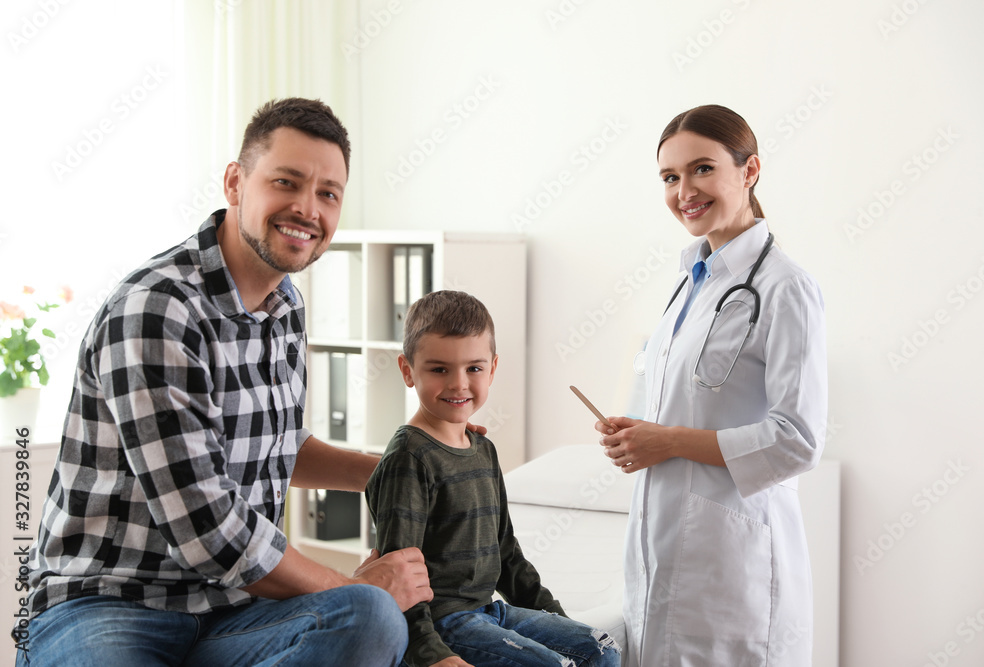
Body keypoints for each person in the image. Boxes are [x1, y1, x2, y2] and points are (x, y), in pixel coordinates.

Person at [14, 98, 433, 666]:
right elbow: (207, 528)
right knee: (367, 603)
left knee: (369, 621)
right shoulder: (158, 310)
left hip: (232, 610)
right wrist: (358, 583)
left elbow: (275, 445)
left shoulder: (285, 305)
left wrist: (402, 468)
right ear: (236, 183)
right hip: (110, 603)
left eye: (328, 194)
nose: (307, 209)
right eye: (287, 181)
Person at [596, 105, 827, 665]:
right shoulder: (690, 283)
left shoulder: (786, 288)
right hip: (661, 546)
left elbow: (797, 438)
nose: (684, 191)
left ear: (750, 171)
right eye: (670, 177)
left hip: (733, 565)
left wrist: (669, 440)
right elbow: (679, 401)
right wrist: (633, 435)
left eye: (702, 169)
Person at [366, 290, 621, 667]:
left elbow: (506, 552)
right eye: (439, 369)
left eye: (474, 368)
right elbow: (399, 576)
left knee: (600, 649)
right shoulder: (409, 457)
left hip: (488, 611)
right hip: (443, 624)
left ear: (493, 368)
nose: (458, 384)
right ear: (408, 370)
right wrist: (432, 655)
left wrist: (555, 618)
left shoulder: (483, 447)